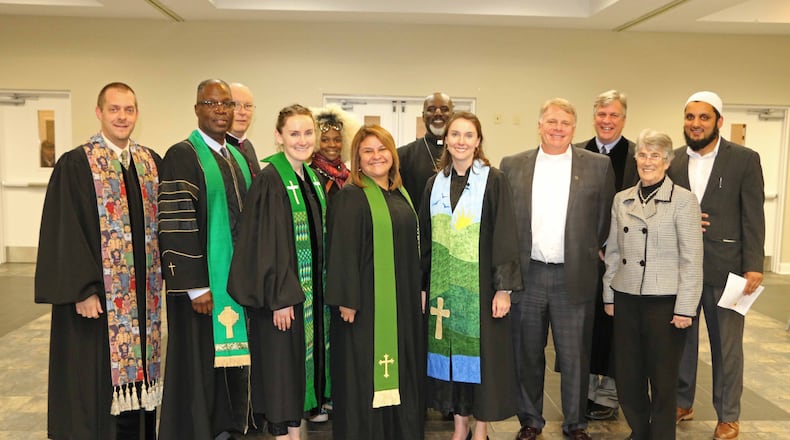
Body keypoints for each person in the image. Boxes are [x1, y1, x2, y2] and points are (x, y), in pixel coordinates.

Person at [34, 82, 162, 439]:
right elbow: (65, 230)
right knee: (93, 379)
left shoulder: (150, 162)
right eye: (114, 109)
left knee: (142, 380)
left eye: (129, 109)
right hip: (97, 303)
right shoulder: (76, 164)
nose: (122, 116)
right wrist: (83, 288)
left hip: (143, 302)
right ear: (99, 113)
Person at [501, 98, 615, 440]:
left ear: (574, 128)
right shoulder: (513, 164)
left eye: (565, 123)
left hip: (573, 276)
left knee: (575, 355)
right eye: (551, 121)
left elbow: (605, 219)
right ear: (539, 125)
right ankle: (530, 421)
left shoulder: (598, 166)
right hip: (529, 274)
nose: (557, 128)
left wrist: (587, 249)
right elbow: (506, 223)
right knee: (528, 354)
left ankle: (575, 423)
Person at [157, 79, 254, 440]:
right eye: (211, 103)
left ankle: (229, 423)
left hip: (237, 282)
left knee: (231, 359)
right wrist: (196, 287)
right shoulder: (183, 154)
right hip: (202, 288)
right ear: (197, 108)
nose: (220, 110)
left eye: (226, 104)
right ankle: (200, 428)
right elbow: (176, 221)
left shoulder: (239, 156)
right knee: (199, 360)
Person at [227, 104, 330, 440]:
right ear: (278, 137)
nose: (302, 140)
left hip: (307, 300)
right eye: (294, 133)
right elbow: (263, 244)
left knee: (296, 379)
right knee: (283, 379)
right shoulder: (272, 178)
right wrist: (279, 298)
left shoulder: (310, 177)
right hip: (283, 303)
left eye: (307, 132)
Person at [421, 112, 522, 440]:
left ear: (478, 141)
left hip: (480, 289)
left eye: (468, 135)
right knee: (452, 360)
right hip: (443, 289)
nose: (461, 141)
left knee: (483, 362)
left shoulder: (493, 180)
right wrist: (424, 286)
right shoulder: (433, 184)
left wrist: (503, 289)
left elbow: (505, 234)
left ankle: (480, 428)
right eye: (455, 134)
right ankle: (459, 425)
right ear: (446, 140)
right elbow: (424, 238)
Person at [670, 91, 765, 440]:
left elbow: (753, 214)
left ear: (719, 122)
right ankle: (682, 402)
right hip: (681, 269)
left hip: (731, 271)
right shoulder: (674, 160)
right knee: (680, 341)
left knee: (727, 347)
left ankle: (728, 415)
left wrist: (754, 264)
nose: (696, 124)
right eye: (690, 117)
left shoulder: (744, 159)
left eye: (704, 118)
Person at [324, 124, 425, 440]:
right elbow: (340, 251)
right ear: (357, 158)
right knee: (364, 375)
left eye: (382, 149)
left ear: (393, 154)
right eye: (367, 151)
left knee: (403, 370)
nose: (376, 156)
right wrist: (346, 299)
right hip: (365, 306)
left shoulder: (400, 193)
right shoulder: (351, 197)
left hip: (401, 303)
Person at [603, 128, 703, 440]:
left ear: (668, 161)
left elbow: (692, 258)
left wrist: (686, 307)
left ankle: (661, 435)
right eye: (643, 155)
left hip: (666, 302)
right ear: (636, 159)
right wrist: (609, 295)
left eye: (655, 156)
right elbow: (613, 251)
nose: (648, 161)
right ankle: (639, 429)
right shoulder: (623, 199)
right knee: (629, 376)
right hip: (628, 296)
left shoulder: (684, 201)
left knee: (662, 378)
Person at [573, 90, 638, 421]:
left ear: (623, 119)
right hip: (583, 257)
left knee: (615, 326)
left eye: (614, 115)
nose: (607, 121)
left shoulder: (638, 156)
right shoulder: (576, 153)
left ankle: (610, 392)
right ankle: (582, 389)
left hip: (624, 259)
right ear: (593, 116)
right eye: (602, 114)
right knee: (584, 324)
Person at [398, 92, 454, 208]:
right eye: (431, 109)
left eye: (444, 109)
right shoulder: (403, 156)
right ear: (423, 116)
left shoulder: (464, 154)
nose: (438, 113)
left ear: (452, 116)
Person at [309, 104, 360, 200]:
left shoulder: (351, 176)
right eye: (325, 140)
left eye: (337, 140)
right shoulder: (309, 176)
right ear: (315, 141)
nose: (332, 145)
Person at [226, 82, 261, 175]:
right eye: (235, 105)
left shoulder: (248, 146)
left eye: (248, 106)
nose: (242, 112)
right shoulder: (217, 149)